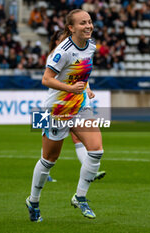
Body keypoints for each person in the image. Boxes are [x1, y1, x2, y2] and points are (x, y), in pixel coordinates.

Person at [26, 9, 104, 222]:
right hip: (56, 110)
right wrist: (71, 89)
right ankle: (33, 200)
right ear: (71, 28)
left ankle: (80, 196)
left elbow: (79, 72)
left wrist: (85, 87)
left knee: (96, 150)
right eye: (82, 23)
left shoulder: (91, 46)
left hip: (79, 107)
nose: (88, 26)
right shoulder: (62, 51)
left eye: (89, 22)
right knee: (49, 159)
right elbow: (46, 79)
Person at [46, 29, 106, 183]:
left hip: (76, 102)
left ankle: (90, 170)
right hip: (56, 103)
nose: (63, 42)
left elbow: (80, 74)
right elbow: (50, 79)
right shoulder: (55, 56)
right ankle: (45, 172)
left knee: (77, 138)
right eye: (60, 39)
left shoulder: (80, 50)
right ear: (55, 42)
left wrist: (87, 88)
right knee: (49, 144)